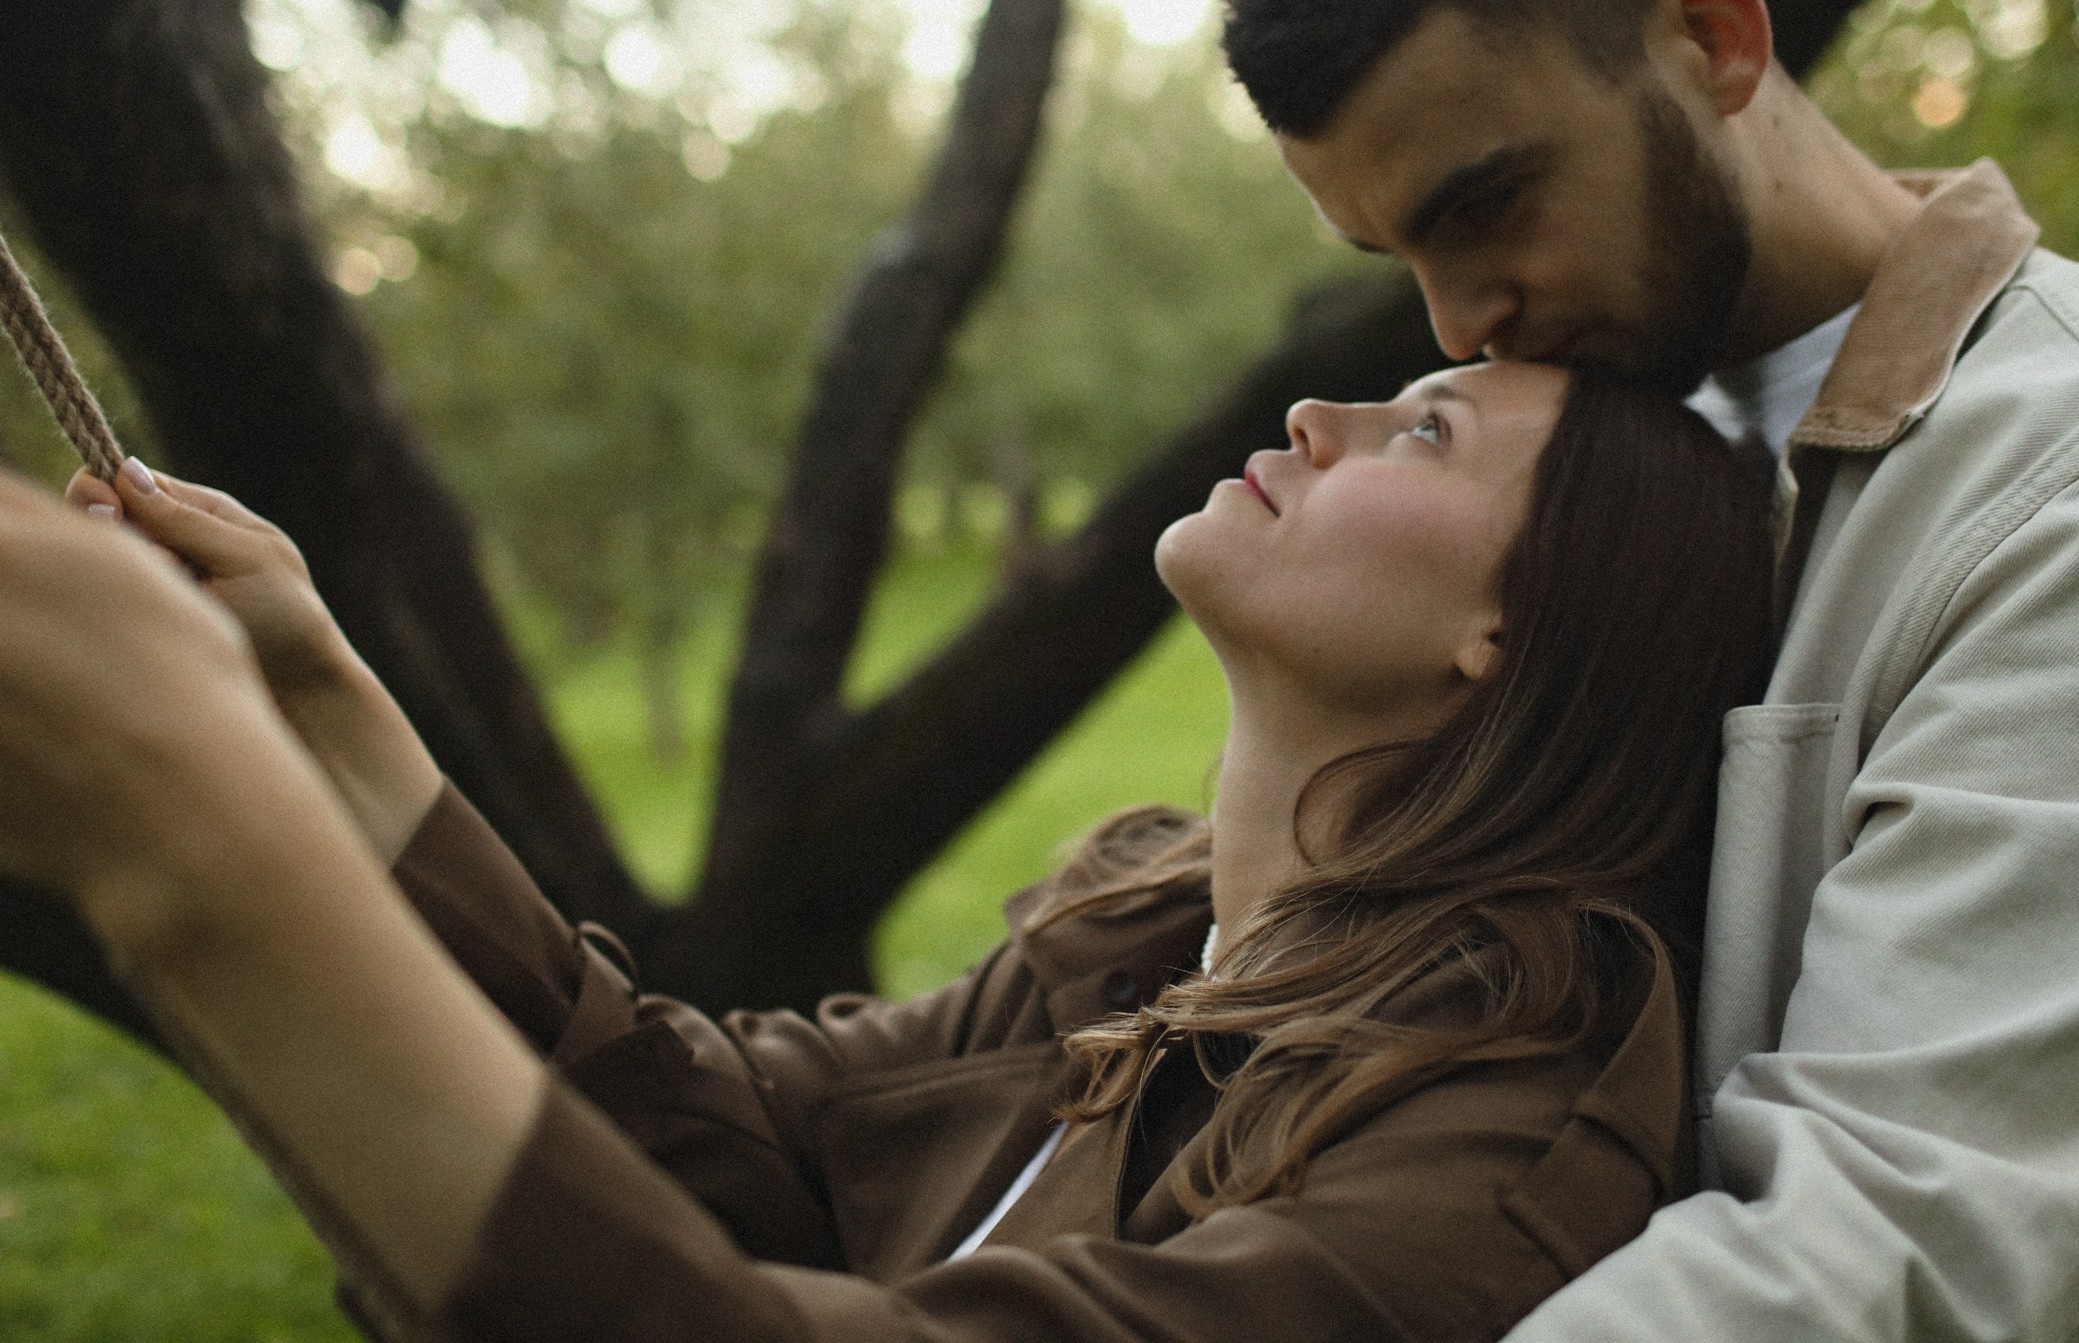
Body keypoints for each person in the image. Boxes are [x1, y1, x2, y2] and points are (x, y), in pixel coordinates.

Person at [1215, 0, 2079, 1340]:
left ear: (1715, 41)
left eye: (1488, 201)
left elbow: (1895, 1236)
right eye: (1397, 255)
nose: (1457, 323)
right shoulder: (1580, 436)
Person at [0, 359, 1773, 1341]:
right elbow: (714, 1130)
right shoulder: (1153, 930)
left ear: (1513, 638)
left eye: (1426, 430)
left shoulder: (1494, 1137)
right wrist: (317, 690)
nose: (1322, 413)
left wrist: (208, 846)